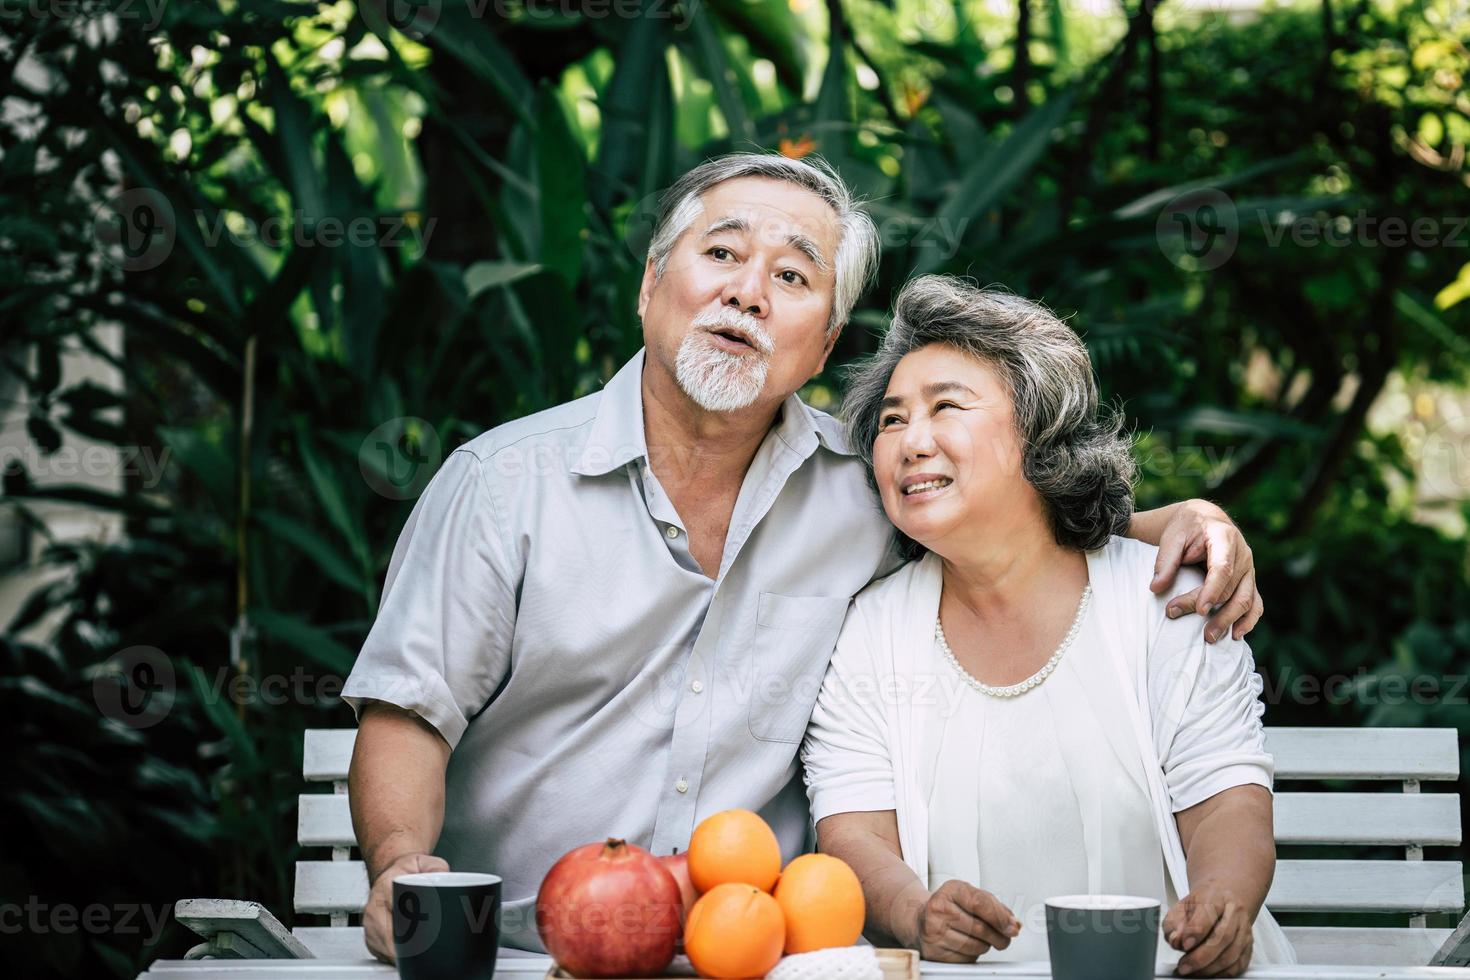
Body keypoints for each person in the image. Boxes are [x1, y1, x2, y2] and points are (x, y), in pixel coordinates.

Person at [341, 152, 1266, 961]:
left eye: (793, 276)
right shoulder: (501, 487)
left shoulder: (864, 488)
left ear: (823, 342)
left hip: (755, 954)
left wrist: (1179, 518)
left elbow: (1009, 516)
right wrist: (398, 864)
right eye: (722, 253)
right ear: (651, 285)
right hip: (515, 949)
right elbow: (411, 714)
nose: (748, 291)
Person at [801, 275, 1293, 978]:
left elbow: (1227, 798)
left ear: (1037, 432)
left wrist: (1223, 901)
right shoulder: (871, 629)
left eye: (946, 407)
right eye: (891, 419)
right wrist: (915, 912)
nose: (911, 441)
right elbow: (853, 829)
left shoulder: (1163, 600)